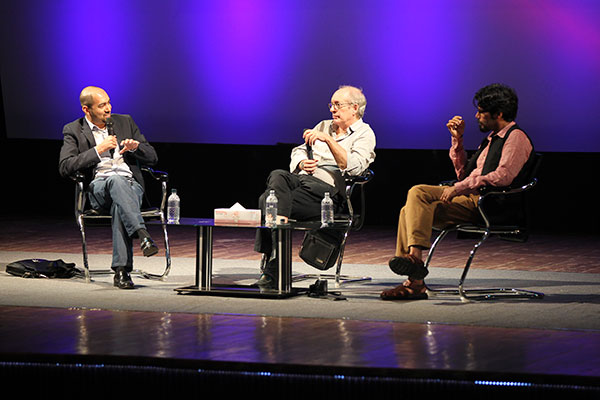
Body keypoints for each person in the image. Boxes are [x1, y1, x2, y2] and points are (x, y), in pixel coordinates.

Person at [381, 83, 535, 300]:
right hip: (469, 198)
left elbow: (503, 177)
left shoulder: (515, 138)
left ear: (498, 113)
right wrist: (457, 139)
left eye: (481, 111)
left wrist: (459, 188)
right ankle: (414, 278)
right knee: (408, 209)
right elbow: (464, 174)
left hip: (487, 205)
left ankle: (413, 266)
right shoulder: (491, 139)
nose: (476, 116)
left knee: (417, 191)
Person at [254, 85, 376, 289]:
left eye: (338, 105)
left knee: (267, 200)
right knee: (277, 176)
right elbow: (299, 150)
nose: (332, 110)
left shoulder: (365, 133)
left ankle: (274, 262)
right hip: (301, 183)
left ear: (354, 108)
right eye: (331, 105)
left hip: (328, 195)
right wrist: (302, 163)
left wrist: (328, 140)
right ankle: (277, 261)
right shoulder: (323, 125)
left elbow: (354, 167)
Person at [59, 86, 159, 289]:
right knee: (115, 181)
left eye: (109, 103)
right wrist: (98, 150)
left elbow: (153, 157)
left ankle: (122, 271)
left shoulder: (125, 122)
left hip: (131, 187)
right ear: (86, 110)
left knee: (119, 201)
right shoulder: (73, 129)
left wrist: (136, 147)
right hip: (99, 188)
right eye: (102, 105)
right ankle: (142, 234)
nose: (108, 109)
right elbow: (65, 166)